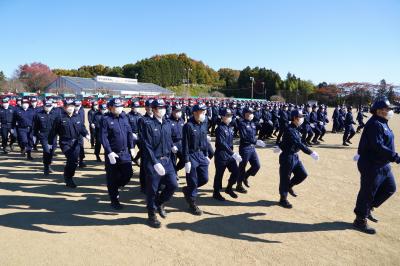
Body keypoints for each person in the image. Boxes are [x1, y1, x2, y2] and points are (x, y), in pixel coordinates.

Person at [353, 98, 398, 234]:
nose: (390, 111)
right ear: (379, 110)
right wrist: (395, 156)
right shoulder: (374, 124)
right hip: (371, 164)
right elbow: (377, 146)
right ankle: (360, 220)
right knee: (367, 192)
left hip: (383, 164)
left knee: (390, 188)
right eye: (387, 109)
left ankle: (368, 208)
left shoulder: (383, 122)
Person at [141, 99, 178, 228]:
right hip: (153, 162)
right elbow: (147, 146)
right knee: (152, 190)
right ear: (154, 109)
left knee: (173, 185)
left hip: (167, 160)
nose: (161, 110)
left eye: (163, 108)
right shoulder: (148, 124)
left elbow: (168, 139)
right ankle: (152, 215)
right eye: (158, 108)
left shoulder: (167, 123)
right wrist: (155, 162)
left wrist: (173, 147)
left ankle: (160, 203)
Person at [274, 110, 319, 208]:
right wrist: (310, 152)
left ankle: (289, 186)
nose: (302, 118)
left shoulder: (296, 128)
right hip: (287, 157)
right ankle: (283, 199)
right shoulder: (290, 129)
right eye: (300, 117)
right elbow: (297, 143)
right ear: (294, 118)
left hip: (294, 156)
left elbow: (286, 140)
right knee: (285, 178)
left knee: (302, 174)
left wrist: (280, 146)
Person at [101, 98, 135, 210]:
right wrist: (109, 152)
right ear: (110, 108)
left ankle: (117, 185)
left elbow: (129, 133)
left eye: (120, 106)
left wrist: (132, 147)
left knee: (128, 173)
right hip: (112, 154)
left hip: (125, 153)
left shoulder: (125, 118)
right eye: (116, 106)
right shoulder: (105, 119)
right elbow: (103, 137)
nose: (119, 108)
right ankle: (114, 200)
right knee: (111, 178)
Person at [49, 99, 90, 188]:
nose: (70, 108)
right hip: (65, 142)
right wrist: (50, 143)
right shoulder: (59, 118)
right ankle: (68, 178)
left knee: (74, 161)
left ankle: (68, 174)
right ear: (64, 107)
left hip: (76, 142)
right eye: (68, 106)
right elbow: (53, 132)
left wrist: (86, 134)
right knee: (71, 159)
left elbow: (82, 128)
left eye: (72, 106)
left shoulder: (78, 117)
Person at [182, 103, 211, 216]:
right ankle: (192, 204)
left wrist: (207, 154)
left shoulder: (204, 123)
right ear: (195, 113)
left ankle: (188, 190)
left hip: (201, 155)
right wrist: (186, 160)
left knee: (204, 179)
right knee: (193, 181)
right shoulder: (188, 126)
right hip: (192, 155)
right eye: (201, 112)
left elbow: (204, 141)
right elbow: (185, 145)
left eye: (204, 112)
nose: (204, 114)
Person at [213, 108, 242, 201]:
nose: (229, 117)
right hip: (221, 155)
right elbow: (222, 143)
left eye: (230, 115)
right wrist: (233, 153)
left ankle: (229, 188)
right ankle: (216, 192)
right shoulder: (219, 128)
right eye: (227, 116)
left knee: (236, 172)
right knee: (219, 175)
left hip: (229, 155)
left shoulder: (230, 127)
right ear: (222, 117)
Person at [236, 107, 266, 193]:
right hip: (245, 148)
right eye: (249, 113)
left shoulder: (253, 123)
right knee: (242, 167)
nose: (251, 115)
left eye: (252, 113)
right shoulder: (242, 124)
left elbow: (258, 129)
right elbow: (244, 137)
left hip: (252, 147)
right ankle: (239, 185)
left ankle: (246, 176)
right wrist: (256, 141)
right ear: (244, 114)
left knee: (256, 165)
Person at [33, 99, 59, 176]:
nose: (48, 108)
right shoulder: (38, 115)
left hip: (53, 136)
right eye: (46, 106)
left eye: (49, 106)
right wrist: (34, 136)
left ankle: (48, 164)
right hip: (43, 136)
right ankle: (46, 167)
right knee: (46, 151)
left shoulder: (56, 114)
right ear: (43, 106)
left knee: (51, 151)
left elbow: (59, 126)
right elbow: (35, 127)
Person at [168, 105, 185, 173]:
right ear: (172, 111)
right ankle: (174, 174)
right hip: (172, 142)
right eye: (177, 111)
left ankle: (176, 170)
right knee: (173, 161)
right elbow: (167, 136)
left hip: (181, 142)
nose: (178, 113)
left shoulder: (182, 120)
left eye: (180, 111)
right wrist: (172, 145)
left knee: (184, 159)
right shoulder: (168, 121)